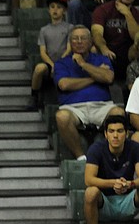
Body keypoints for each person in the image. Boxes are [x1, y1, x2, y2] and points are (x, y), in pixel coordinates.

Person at [54, 25, 125, 160]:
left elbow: (108, 77)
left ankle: (113, 157)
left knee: (118, 113)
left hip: (102, 106)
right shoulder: (61, 63)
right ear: (70, 43)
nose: (79, 41)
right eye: (75, 39)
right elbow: (64, 84)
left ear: (91, 41)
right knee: (61, 116)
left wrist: (83, 64)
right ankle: (81, 157)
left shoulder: (102, 59)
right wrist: (95, 77)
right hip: (73, 108)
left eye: (83, 38)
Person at [81, 114, 139, 224]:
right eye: (111, 131)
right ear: (105, 134)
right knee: (90, 192)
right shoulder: (96, 149)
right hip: (105, 203)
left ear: (126, 133)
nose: (115, 136)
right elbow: (88, 179)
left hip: (128, 201)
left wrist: (129, 184)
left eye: (119, 131)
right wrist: (114, 183)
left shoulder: (135, 148)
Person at [28, 0, 71, 111]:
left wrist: (59, 65)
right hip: (50, 64)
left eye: (59, 7)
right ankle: (35, 97)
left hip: (65, 62)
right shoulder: (44, 30)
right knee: (39, 69)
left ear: (64, 10)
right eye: (52, 7)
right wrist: (52, 65)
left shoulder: (69, 28)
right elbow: (43, 52)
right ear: (48, 10)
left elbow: (69, 48)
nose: (55, 10)